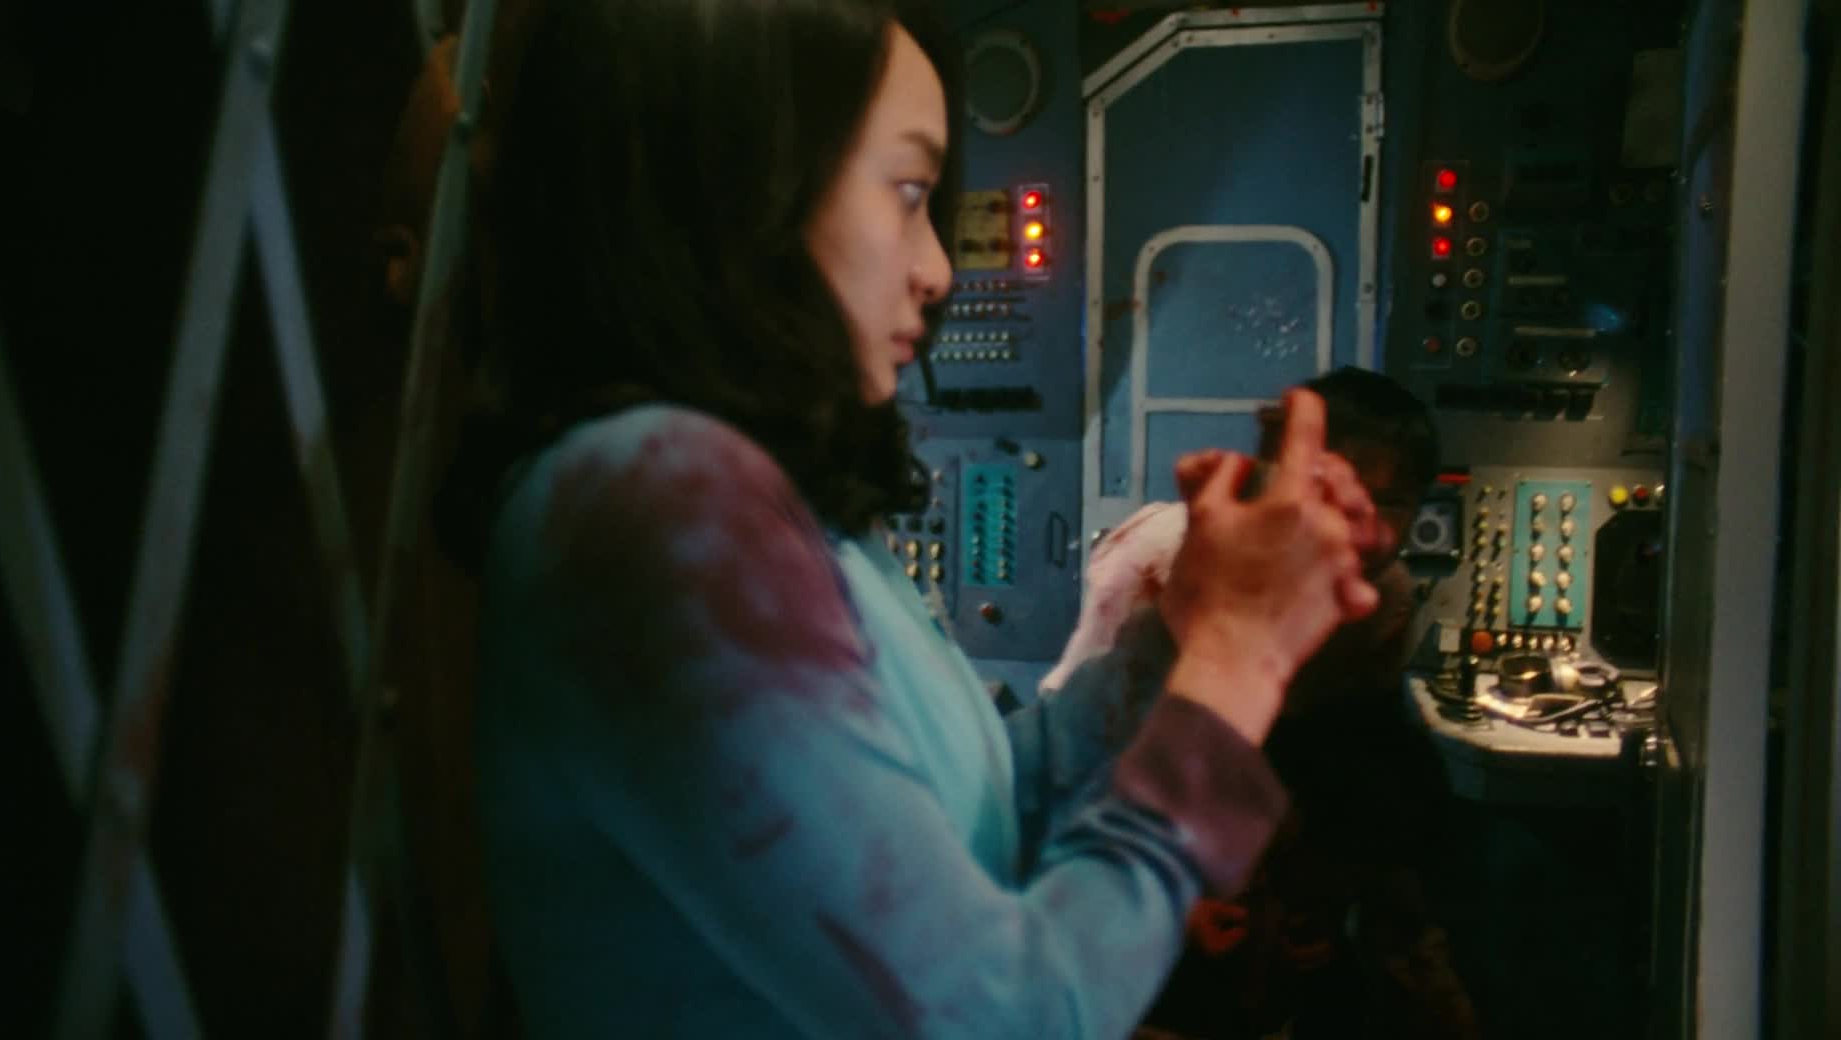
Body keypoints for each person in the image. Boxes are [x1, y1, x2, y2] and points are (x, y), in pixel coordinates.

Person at [453, 2, 1394, 1036]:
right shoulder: (655, 501)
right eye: (908, 192)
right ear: (737, 188)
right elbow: (1008, 1019)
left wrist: (1187, 621)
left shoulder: (792, 511)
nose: (939, 269)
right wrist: (1238, 663)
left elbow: (996, 805)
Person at [1041, 368, 1477, 1039]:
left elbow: (1352, 769)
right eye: (1336, 489)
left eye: (1394, 502)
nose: (1366, 524)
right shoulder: (1174, 559)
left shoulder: (1383, 600)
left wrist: (1324, 904)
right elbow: (1077, 757)